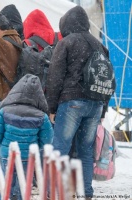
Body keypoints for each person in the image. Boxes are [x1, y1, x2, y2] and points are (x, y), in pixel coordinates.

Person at [45, 6, 112, 198]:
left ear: (66, 24)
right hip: (95, 105)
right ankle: (85, 192)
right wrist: (103, 111)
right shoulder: (99, 45)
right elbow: (106, 79)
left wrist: (51, 107)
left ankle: (54, 191)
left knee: (60, 149)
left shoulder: (66, 43)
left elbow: (55, 76)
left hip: (72, 101)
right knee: (85, 152)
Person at [0, 74, 53, 200]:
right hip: (27, 157)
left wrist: (1, 145)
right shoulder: (41, 116)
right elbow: (47, 139)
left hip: (6, 154)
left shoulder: (4, 111)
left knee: (6, 185)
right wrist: (36, 147)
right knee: (23, 187)